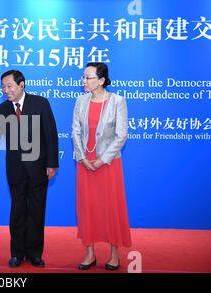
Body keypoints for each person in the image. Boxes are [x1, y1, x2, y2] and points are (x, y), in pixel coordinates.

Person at [0, 70, 59, 268]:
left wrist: (52, 163)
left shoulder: (40, 103)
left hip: (38, 166)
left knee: (37, 210)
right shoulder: (2, 109)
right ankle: (17, 253)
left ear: (21, 84)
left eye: (9, 86)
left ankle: (34, 253)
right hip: (15, 168)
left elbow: (50, 134)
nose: (6, 90)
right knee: (17, 211)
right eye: (3, 87)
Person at [72, 62, 132, 271]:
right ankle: (89, 254)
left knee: (111, 209)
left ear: (102, 80)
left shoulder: (117, 101)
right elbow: (75, 131)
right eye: (83, 77)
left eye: (88, 77)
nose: (84, 81)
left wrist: (102, 159)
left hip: (107, 165)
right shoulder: (81, 101)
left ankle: (114, 254)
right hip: (85, 165)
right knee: (87, 209)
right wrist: (83, 157)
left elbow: (121, 134)